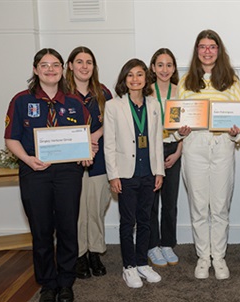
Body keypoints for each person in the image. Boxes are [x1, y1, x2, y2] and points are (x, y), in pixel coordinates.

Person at [4, 48, 91, 302]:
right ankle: (47, 284)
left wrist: (87, 153)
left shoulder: (74, 102)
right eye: (45, 65)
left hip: (67, 174)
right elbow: (11, 138)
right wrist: (28, 159)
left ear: (63, 69)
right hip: (34, 171)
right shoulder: (21, 101)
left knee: (67, 227)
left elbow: (83, 138)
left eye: (55, 65)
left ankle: (65, 281)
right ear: (35, 69)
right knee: (41, 231)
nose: (50, 69)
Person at [177, 29, 240, 280]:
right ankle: (203, 257)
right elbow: (177, 122)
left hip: (223, 145)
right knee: (198, 206)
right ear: (197, 51)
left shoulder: (232, 80)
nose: (207, 51)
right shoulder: (186, 81)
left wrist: (236, 132)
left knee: (220, 205)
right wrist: (180, 131)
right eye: (202, 47)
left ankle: (219, 257)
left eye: (212, 46)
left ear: (219, 50)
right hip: (195, 145)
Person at [104, 58, 165, 288]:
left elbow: (157, 141)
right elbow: (109, 144)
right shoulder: (113, 106)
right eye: (130, 75)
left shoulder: (153, 105)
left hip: (148, 172)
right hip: (126, 174)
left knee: (146, 220)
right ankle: (128, 267)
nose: (135, 79)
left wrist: (159, 171)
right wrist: (113, 175)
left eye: (139, 74)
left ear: (146, 78)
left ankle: (142, 263)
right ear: (124, 79)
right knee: (128, 222)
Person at [66, 46, 113, 278]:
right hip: (70, 163)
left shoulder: (103, 92)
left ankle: (95, 251)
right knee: (76, 210)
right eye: (80, 61)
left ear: (94, 67)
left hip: (99, 160)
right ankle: (80, 255)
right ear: (70, 65)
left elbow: (115, 120)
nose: (84, 66)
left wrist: (96, 134)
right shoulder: (62, 93)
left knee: (96, 208)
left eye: (89, 62)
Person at [146, 48, 182, 267]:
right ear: (153, 67)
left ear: (174, 68)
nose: (164, 69)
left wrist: (178, 152)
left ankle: (167, 243)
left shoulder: (181, 91)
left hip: (173, 149)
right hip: (151, 151)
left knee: (170, 202)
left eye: (169, 65)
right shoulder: (145, 91)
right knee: (151, 202)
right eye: (160, 65)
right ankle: (152, 245)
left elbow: (187, 126)